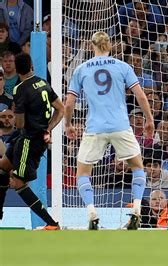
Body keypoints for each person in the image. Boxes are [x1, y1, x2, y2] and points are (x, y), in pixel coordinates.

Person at [64, 32, 154, 230]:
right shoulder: (122, 66)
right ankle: (137, 209)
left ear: (91, 46)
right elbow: (141, 95)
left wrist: (68, 124)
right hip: (121, 125)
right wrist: (149, 119)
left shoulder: (81, 69)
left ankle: (91, 212)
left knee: (83, 173)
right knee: (137, 167)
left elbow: (69, 103)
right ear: (110, 46)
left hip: (95, 127)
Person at [0, 53, 64, 230]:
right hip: (29, 137)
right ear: (31, 66)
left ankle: (52, 223)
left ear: (17, 70)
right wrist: (48, 128)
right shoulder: (43, 82)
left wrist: (16, 111)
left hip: (29, 140)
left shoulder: (20, 89)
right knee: (3, 166)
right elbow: (60, 109)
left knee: (19, 183)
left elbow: (19, 123)